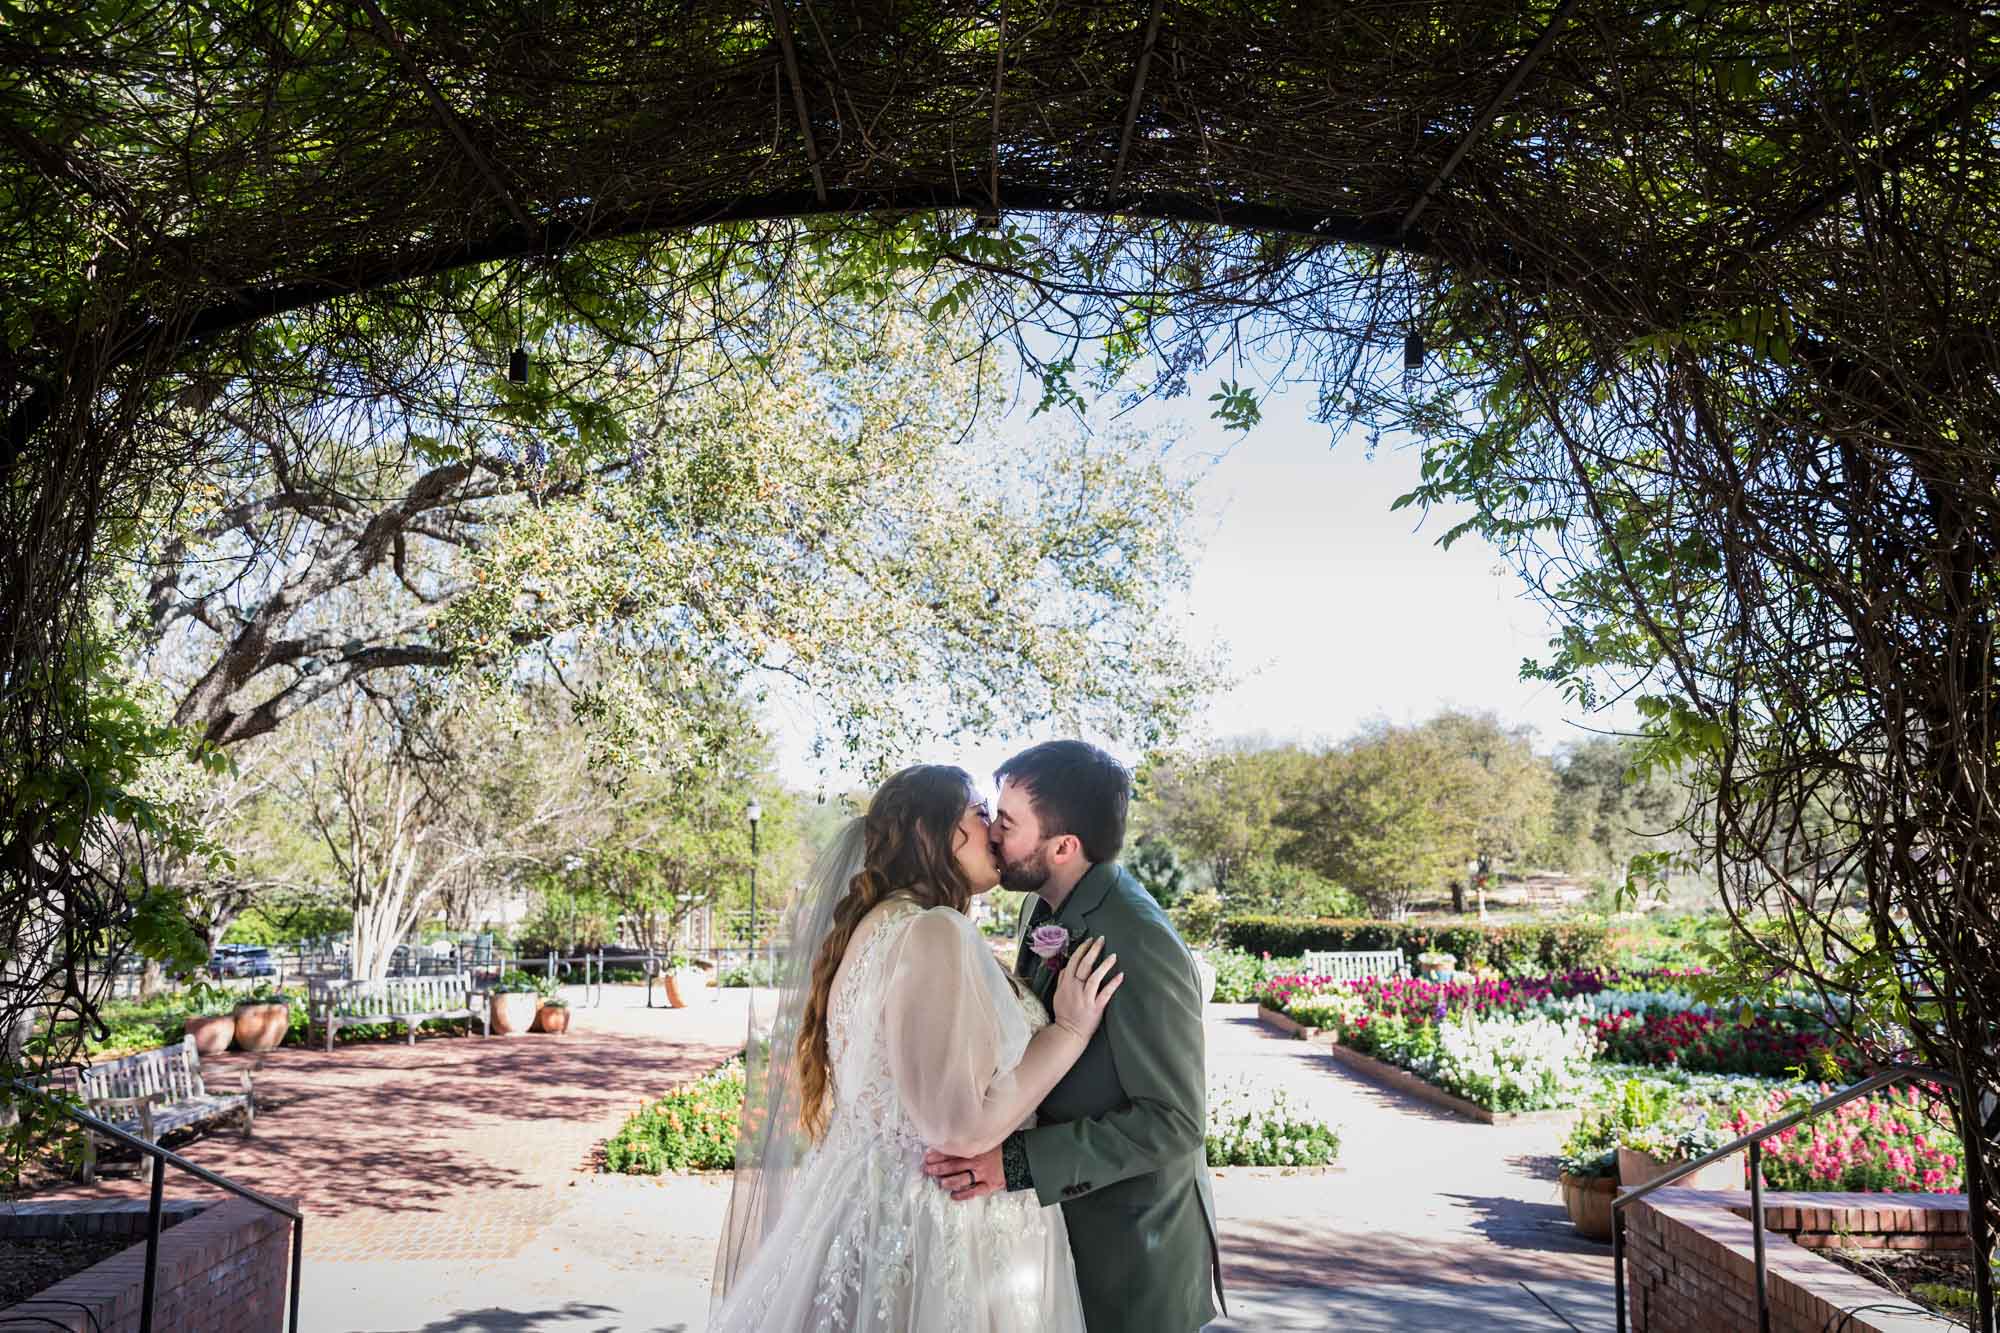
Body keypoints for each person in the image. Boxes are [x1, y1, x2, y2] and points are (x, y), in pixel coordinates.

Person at [710, 763, 1124, 1332]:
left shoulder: (876, 927)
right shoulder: (933, 930)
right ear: (935, 834)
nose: (994, 833)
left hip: (869, 1210)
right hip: (938, 1229)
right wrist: (1069, 1032)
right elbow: (958, 1130)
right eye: (980, 815)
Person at [923, 740, 1226, 1332]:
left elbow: (1175, 1120)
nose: (991, 836)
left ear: (1062, 847)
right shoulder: (1040, 909)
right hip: (1057, 1242)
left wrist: (1014, 1162)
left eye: (1006, 824)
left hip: (1130, 1255)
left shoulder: (1139, 941)